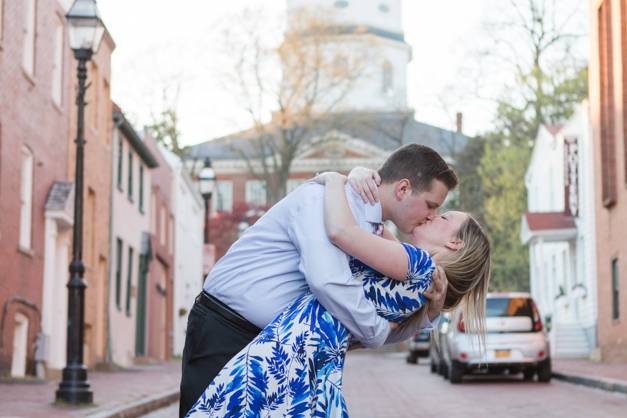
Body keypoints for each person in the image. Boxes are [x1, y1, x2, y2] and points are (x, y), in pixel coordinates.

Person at [179, 144, 457, 417]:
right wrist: (376, 332)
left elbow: (366, 313)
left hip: (275, 350)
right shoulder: (322, 199)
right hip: (225, 330)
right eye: (430, 205)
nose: (431, 215)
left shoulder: (373, 235)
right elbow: (328, 281)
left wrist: (423, 317)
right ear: (403, 189)